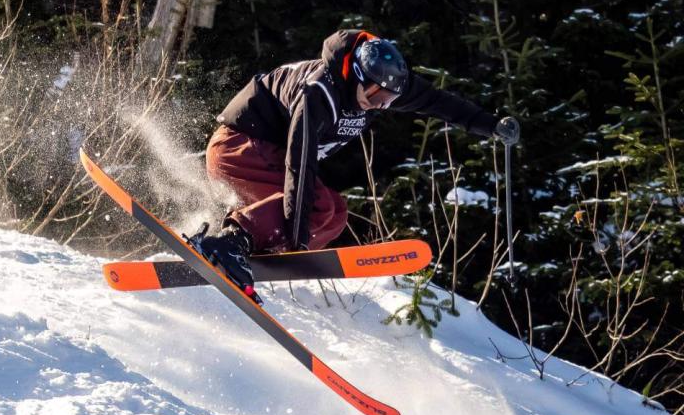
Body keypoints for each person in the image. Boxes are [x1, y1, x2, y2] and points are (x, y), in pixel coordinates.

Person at [187, 28, 520, 296]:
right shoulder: (318, 91)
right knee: (315, 205)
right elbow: (299, 166)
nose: (378, 105)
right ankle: (231, 241)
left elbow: (436, 101)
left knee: (335, 213)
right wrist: (298, 242)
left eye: (388, 101)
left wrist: (489, 126)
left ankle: (257, 252)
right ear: (355, 74)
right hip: (240, 147)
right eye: (375, 96)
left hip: (266, 156)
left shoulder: (384, 81)